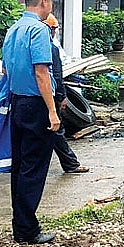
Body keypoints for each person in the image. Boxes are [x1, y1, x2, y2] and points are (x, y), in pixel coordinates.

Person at [2, 0, 61, 245]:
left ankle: (20, 224)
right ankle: (28, 229)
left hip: (17, 103)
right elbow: (42, 72)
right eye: (51, 3)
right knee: (34, 168)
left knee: (20, 167)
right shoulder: (38, 30)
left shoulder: (13, 29)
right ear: (45, 2)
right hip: (36, 105)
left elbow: (5, 70)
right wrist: (52, 110)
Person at [44, 13, 89, 175]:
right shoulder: (50, 48)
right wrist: (61, 97)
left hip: (30, 97)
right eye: (54, 28)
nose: (56, 31)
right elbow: (57, 75)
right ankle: (70, 163)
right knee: (57, 130)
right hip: (49, 97)